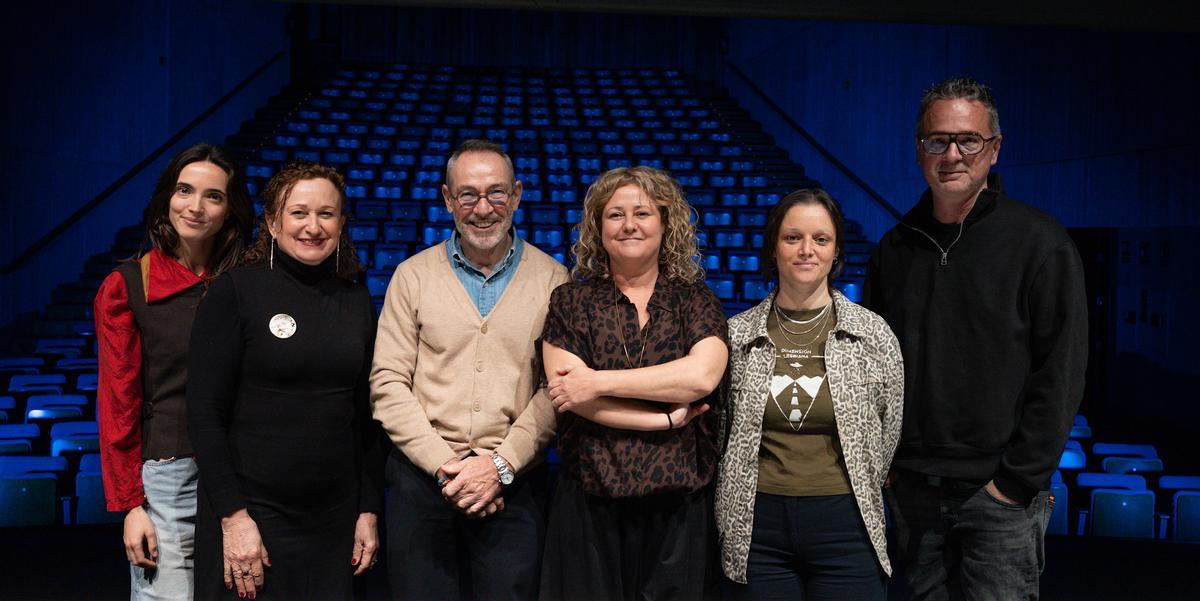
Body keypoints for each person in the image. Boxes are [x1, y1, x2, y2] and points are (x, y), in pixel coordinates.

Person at [862, 77, 1088, 601]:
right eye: (937, 140)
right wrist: (888, 464)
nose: (953, 154)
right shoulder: (895, 248)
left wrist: (1014, 483)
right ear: (919, 148)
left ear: (995, 148)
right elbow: (872, 366)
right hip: (912, 492)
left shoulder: (1040, 242)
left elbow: (1063, 370)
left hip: (999, 496)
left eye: (969, 140)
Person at [370, 139, 569, 601]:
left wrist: (498, 466)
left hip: (515, 485)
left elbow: (555, 389)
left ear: (517, 196)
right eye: (468, 195)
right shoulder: (411, 276)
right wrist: (450, 468)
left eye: (497, 193)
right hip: (423, 482)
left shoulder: (554, 280)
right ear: (446, 199)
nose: (484, 208)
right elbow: (387, 384)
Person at [186, 162, 386, 600]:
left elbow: (367, 419)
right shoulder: (234, 292)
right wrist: (234, 518)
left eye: (326, 214)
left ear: (342, 223)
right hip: (253, 516)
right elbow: (204, 414)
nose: (313, 227)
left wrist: (368, 509)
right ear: (273, 223)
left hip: (334, 521)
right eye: (299, 213)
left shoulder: (355, 299)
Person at [538, 166, 728, 601]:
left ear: (665, 223)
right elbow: (571, 394)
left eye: (642, 213)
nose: (628, 225)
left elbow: (700, 376)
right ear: (597, 227)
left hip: (677, 506)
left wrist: (599, 380)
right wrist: (663, 421)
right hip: (590, 501)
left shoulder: (694, 299)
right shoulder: (571, 300)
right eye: (614, 214)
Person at [715, 188, 903, 601]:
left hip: (846, 523)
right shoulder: (737, 334)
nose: (806, 250)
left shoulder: (873, 334)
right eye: (792, 237)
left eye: (821, 239)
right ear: (773, 249)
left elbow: (890, 429)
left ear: (836, 252)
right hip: (757, 527)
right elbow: (721, 430)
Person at [95, 143, 253, 600]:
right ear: (168, 195)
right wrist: (130, 505)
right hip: (170, 478)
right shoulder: (127, 287)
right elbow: (117, 401)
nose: (196, 206)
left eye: (214, 196)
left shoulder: (249, 282)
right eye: (185, 190)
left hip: (248, 474)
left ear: (230, 210)